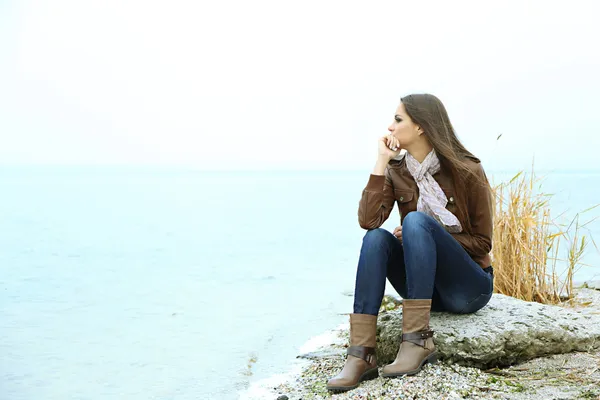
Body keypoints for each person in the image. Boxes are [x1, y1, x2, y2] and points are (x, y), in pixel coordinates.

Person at [327, 94, 494, 393]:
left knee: (416, 222)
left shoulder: (467, 169)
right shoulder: (398, 170)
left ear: (421, 127)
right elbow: (369, 221)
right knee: (376, 237)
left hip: (468, 289)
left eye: (398, 119)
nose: (390, 127)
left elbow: (482, 244)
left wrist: (431, 233)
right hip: (424, 290)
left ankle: (418, 341)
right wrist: (381, 162)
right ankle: (361, 353)